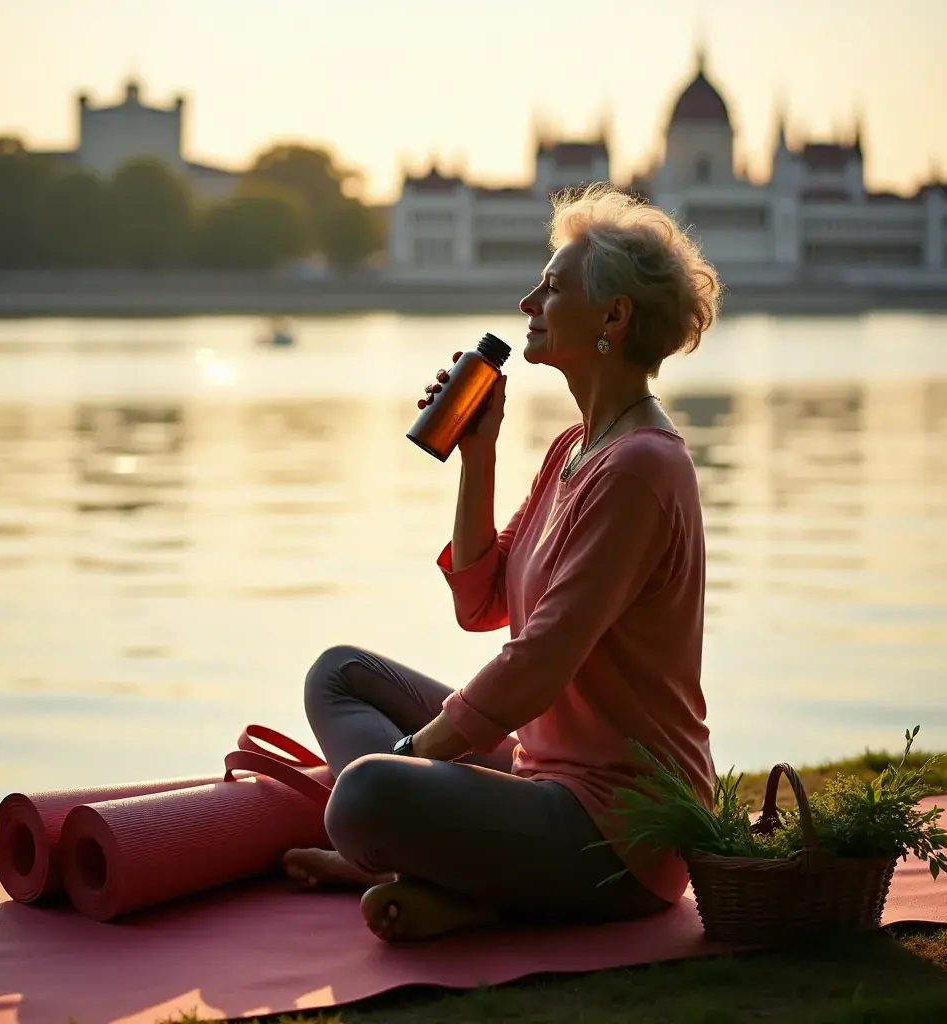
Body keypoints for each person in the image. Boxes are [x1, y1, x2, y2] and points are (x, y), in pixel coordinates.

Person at [284, 182, 722, 942]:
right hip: (535, 774)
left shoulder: (642, 469)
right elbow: (479, 604)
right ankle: (448, 874)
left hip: (617, 831)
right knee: (338, 674)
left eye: (552, 287)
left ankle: (429, 865)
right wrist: (477, 453)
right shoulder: (575, 451)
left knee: (362, 796)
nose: (528, 301)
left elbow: (539, 663)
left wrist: (412, 758)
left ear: (614, 316)